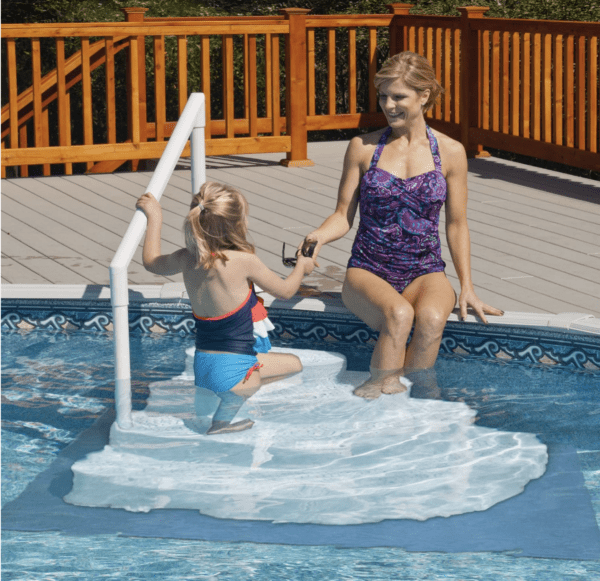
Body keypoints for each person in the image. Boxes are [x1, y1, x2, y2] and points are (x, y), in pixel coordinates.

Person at [302, 51, 503, 399]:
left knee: (431, 320)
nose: (388, 105)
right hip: (369, 269)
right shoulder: (363, 148)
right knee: (397, 314)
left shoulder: (451, 152)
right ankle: (377, 393)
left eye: (398, 96)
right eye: (383, 96)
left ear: (424, 96)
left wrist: (467, 286)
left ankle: (417, 401)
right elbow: (342, 215)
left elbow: (456, 224)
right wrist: (317, 237)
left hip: (425, 271)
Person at [136, 181, 314, 434]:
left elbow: (151, 263)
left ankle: (233, 392)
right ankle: (223, 419)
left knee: (283, 364)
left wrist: (155, 217)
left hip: (204, 367)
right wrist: (301, 267)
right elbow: (285, 291)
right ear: (237, 224)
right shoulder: (244, 261)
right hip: (236, 375)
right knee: (294, 365)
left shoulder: (187, 257)